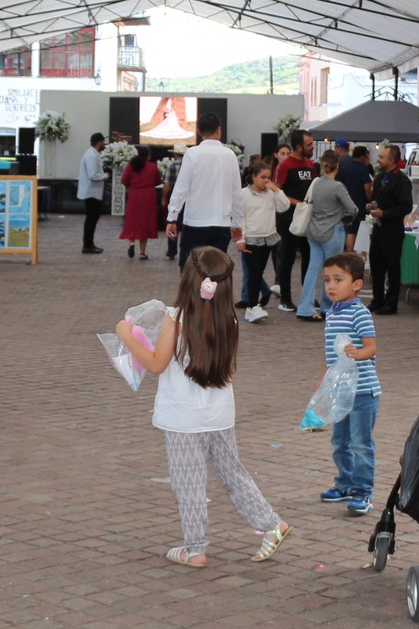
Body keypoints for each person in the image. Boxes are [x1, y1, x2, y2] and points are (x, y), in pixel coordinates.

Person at [114, 246, 291, 568]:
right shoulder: (231, 321)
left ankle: (194, 548)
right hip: (219, 416)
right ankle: (272, 524)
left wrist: (126, 335)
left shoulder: (174, 319)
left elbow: (156, 364)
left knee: (189, 484)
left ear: (188, 279)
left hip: (183, 419)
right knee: (233, 475)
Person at [318, 252, 381, 514]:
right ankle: (344, 483)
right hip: (341, 390)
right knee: (340, 441)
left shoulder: (359, 313)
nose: (331, 286)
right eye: (327, 280)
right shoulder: (332, 313)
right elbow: (333, 356)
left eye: (338, 279)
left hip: (363, 391)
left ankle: (362, 491)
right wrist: (324, 379)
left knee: (360, 443)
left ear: (356, 284)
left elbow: (372, 348)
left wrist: (358, 353)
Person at [165, 112, 242, 267]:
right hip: (221, 223)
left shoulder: (192, 154)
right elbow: (236, 193)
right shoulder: (230, 155)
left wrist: (172, 217)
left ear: (198, 131)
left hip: (195, 222)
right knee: (216, 271)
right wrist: (237, 222)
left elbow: (181, 188)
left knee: (190, 269)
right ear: (219, 130)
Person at [296, 152, 358, 321]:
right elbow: (353, 209)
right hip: (332, 232)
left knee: (312, 268)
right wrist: (345, 215)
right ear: (337, 166)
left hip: (313, 231)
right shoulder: (337, 186)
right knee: (332, 271)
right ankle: (327, 306)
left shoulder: (315, 183)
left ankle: (305, 307)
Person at [237, 167, 288, 320]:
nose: (266, 180)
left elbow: (284, 206)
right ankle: (252, 306)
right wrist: (241, 239)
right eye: (263, 177)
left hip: (267, 237)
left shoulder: (271, 194)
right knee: (254, 272)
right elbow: (239, 217)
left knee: (258, 273)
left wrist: (277, 191)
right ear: (253, 176)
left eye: (268, 177)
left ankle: (253, 306)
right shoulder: (243, 194)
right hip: (251, 238)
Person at [273, 132, 316, 310]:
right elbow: (276, 190)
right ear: (299, 147)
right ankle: (285, 298)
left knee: (308, 258)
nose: (312, 147)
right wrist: (297, 203)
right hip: (289, 219)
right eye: (309, 144)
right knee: (288, 258)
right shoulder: (285, 165)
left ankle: (307, 298)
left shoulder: (311, 165)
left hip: (307, 219)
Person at [367, 144, 412, 314]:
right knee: (376, 264)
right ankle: (377, 299)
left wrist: (385, 213)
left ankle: (391, 302)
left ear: (391, 160)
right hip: (378, 229)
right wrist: (371, 206)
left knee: (392, 266)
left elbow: (405, 206)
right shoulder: (379, 178)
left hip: (392, 230)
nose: (378, 160)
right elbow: (375, 198)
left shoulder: (401, 181)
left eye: (381, 157)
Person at [119, 146, 162, 261]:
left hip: (134, 195)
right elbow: (158, 181)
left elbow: (124, 180)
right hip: (148, 197)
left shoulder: (131, 165)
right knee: (145, 223)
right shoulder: (152, 167)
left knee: (132, 221)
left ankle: (131, 243)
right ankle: (142, 253)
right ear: (148, 155)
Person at [79, 133, 108, 255]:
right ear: (99, 142)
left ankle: (89, 243)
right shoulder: (91, 156)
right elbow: (93, 175)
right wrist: (106, 175)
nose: (104, 144)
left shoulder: (93, 154)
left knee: (93, 218)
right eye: (103, 142)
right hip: (91, 193)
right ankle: (87, 245)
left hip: (93, 192)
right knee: (91, 219)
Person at [336, 144, 374, 216]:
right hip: (361, 207)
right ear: (362, 156)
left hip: (346, 206)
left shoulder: (344, 169)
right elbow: (367, 188)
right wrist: (370, 199)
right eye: (366, 156)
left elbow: (339, 186)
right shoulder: (363, 169)